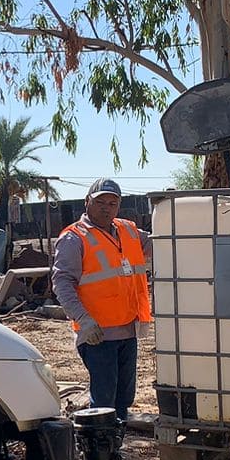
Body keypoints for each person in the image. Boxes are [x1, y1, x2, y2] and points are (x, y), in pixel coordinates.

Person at [51, 179, 152, 423]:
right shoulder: (74, 238)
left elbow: (161, 242)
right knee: (104, 400)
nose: (106, 208)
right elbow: (62, 283)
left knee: (123, 398)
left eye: (112, 203)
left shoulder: (128, 231)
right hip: (97, 333)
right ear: (87, 203)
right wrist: (83, 319)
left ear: (118, 206)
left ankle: (115, 446)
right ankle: (100, 456)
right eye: (100, 202)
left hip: (128, 330)